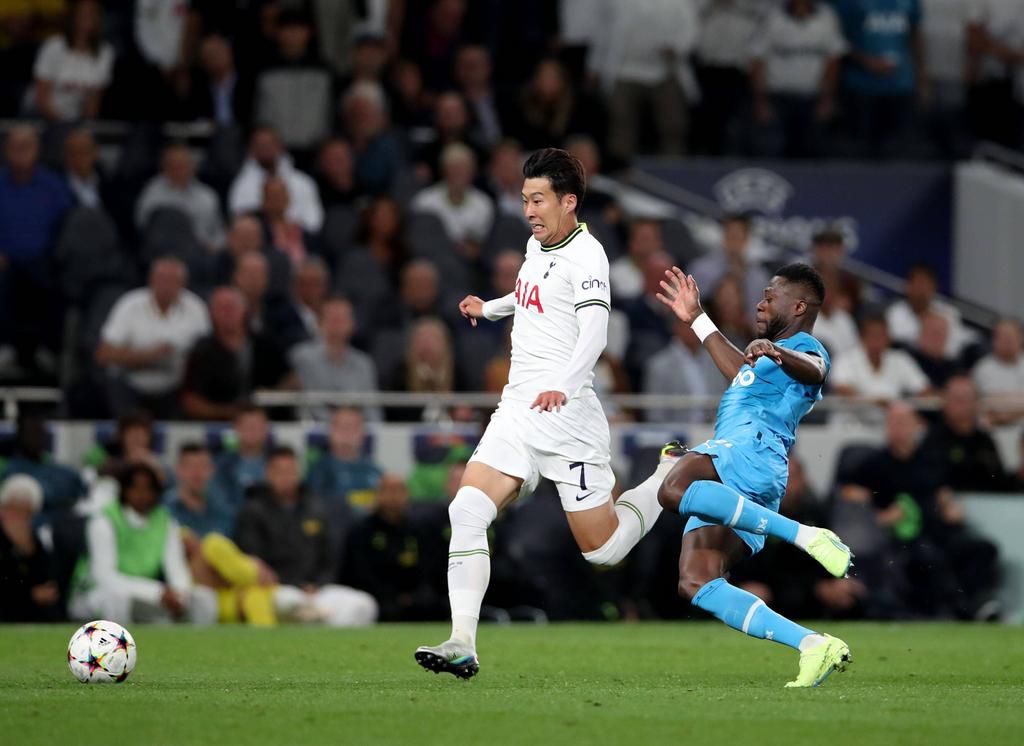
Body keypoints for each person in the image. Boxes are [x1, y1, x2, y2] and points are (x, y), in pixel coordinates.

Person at [415, 148, 665, 678]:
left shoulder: (589, 257)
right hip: (517, 410)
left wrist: (563, 386)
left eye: (538, 199)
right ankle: (463, 640)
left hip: (568, 418)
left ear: (568, 201)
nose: (528, 209)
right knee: (466, 510)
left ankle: (665, 477)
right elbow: (531, 293)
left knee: (601, 551)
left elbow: (594, 334)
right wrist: (491, 307)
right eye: (524, 199)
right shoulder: (537, 244)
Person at [639, 261, 855, 687]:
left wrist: (777, 350)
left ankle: (805, 535)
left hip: (749, 449)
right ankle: (813, 644)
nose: (759, 303)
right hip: (750, 469)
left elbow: (815, 369)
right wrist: (697, 319)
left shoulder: (807, 346)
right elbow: (741, 374)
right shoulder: (761, 361)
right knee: (697, 581)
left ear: (797, 306)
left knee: (674, 487)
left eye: (769, 297)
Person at [235, 446, 378, 626]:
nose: (286, 477)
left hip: (316, 590)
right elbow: (253, 561)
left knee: (364, 604)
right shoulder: (253, 511)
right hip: (277, 589)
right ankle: (319, 621)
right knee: (291, 604)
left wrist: (317, 584)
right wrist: (292, 583)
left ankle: (323, 632)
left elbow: (328, 558)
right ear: (268, 473)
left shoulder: (315, 507)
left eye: (291, 471)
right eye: (280, 471)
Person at [69, 462, 218, 624]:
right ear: (124, 490)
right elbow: (105, 578)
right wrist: (156, 592)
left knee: (205, 598)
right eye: (135, 488)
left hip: (147, 595)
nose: (142, 494)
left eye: (148, 489)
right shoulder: (104, 520)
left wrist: (179, 596)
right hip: (96, 595)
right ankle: (115, 646)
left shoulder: (165, 521)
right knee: (117, 599)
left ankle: (191, 645)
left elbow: (176, 569)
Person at [96, 257, 210, 418]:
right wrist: (151, 355)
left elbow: (207, 353)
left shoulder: (196, 308)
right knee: (112, 381)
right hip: (130, 384)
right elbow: (104, 354)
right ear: (151, 280)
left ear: (183, 283)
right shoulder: (130, 304)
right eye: (162, 279)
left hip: (176, 387)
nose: (166, 286)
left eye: (173, 280)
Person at [289, 298, 380, 421]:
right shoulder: (303, 357)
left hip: (356, 432)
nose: (337, 325)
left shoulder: (364, 363)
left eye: (342, 319)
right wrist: (339, 424)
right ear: (320, 322)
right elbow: (310, 406)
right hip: (313, 432)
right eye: (332, 319)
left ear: (352, 324)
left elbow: (372, 410)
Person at [30, 0, 114, 121]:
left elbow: (93, 103)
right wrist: (62, 125)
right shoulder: (53, 46)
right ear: (73, 16)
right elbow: (42, 97)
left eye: (92, 13)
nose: (88, 17)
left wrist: (84, 128)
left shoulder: (106, 52)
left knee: (82, 140)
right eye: (83, 13)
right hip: (41, 116)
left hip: (75, 121)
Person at [135, 143, 226, 251]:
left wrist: (216, 246)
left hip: (201, 254)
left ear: (193, 167)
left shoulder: (207, 195)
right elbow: (143, 228)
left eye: (185, 165)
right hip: (166, 254)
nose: (181, 170)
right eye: (175, 166)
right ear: (165, 168)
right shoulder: (152, 194)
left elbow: (218, 231)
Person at [0, 475, 61, 622]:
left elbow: (46, 577)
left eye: (27, 513)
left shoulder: (36, 542)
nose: (21, 518)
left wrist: (27, 550)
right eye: (15, 510)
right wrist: (29, 595)